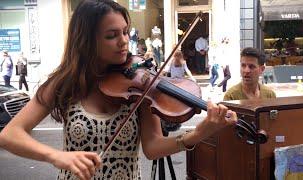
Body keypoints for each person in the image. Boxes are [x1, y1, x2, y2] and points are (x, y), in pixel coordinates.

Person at [0, 1, 238, 180]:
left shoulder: (140, 86)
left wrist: (197, 134)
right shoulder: (65, 83)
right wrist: (56, 156)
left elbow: (153, 147)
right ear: (86, 40)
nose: (124, 41)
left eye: (125, 32)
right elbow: (10, 135)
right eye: (111, 35)